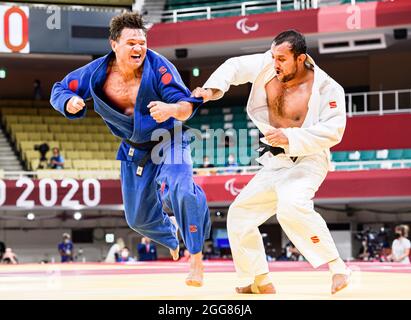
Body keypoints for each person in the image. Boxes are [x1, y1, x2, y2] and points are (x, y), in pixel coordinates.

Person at [50, 12, 210, 286]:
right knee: (137, 219)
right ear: (114, 44)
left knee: (181, 188)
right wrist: (68, 102)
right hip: (134, 149)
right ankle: (170, 233)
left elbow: (185, 107)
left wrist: (170, 108)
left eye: (142, 42)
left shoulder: (160, 68)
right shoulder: (95, 74)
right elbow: (60, 88)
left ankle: (195, 260)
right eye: (131, 43)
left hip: (169, 138)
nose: (138, 48)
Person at [193, 30, 350, 294]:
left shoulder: (327, 88)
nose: (274, 63)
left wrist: (290, 136)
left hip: (307, 159)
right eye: (273, 56)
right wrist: (212, 89)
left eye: (281, 59)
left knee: (291, 204)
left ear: (300, 59)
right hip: (275, 161)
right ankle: (258, 279)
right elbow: (236, 66)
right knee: (239, 213)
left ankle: (338, 268)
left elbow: (334, 131)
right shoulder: (269, 64)